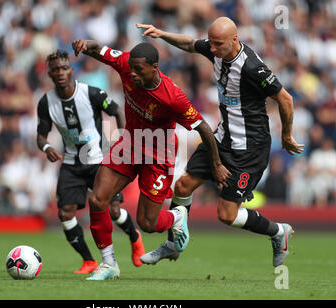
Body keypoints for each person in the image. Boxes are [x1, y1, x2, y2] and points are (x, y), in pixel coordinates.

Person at [137, 17, 304, 267]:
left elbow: (286, 99)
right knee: (182, 187)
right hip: (222, 137)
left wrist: (287, 135)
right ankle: (173, 244)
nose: (212, 49)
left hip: (249, 150)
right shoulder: (217, 49)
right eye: (211, 44)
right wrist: (162, 34)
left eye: (217, 44)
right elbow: (191, 44)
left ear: (234, 40)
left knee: (226, 214)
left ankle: (278, 232)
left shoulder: (251, 68)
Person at [71, 39, 231, 280]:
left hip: (159, 154)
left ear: (155, 67)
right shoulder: (126, 63)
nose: (132, 74)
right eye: (131, 69)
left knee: (147, 222)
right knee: (97, 199)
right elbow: (98, 50)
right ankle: (109, 264)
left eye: (139, 70)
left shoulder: (172, 96)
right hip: (130, 143)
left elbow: (204, 129)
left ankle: (177, 216)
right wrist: (85, 45)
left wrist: (216, 164)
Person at [36, 49, 145, 274]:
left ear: (71, 70)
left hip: (99, 160)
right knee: (65, 214)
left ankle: (135, 238)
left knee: (113, 210)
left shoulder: (92, 93)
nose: (60, 72)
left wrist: (123, 140)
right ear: (49, 73)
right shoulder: (46, 103)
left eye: (64, 68)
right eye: (55, 69)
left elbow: (117, 111)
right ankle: (89, 260)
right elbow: (41, 135)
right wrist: (47, 147)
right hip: (71, 163)